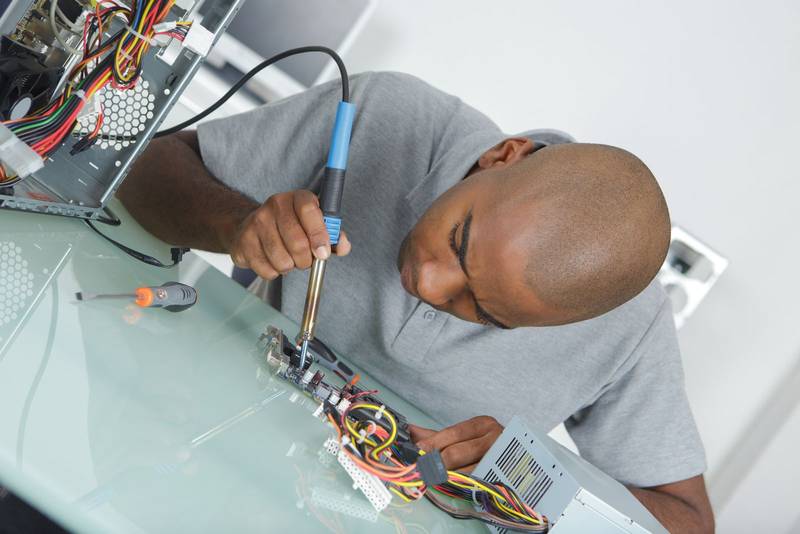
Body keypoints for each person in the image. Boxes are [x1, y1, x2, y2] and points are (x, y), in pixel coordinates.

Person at [118, 71, 714, 532]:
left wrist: (533, 474)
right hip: (204, 450)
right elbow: (143, 169)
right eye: (459, 241)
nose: (428, 284)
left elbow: (688, 520)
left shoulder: (629, 326)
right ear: (502, 155)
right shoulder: (388, 115)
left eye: (485, 313)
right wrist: (237, 223)